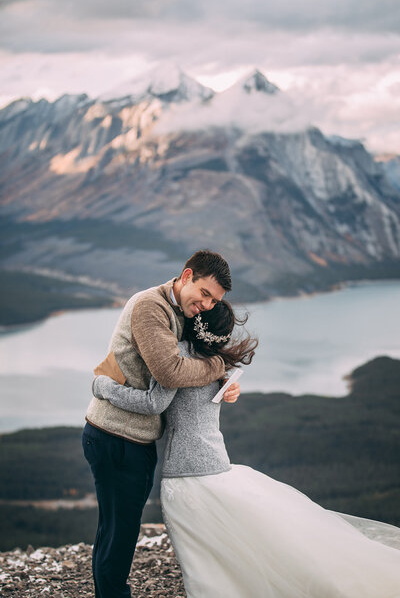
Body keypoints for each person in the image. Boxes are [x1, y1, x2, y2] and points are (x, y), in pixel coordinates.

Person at [92, 300, 400, 598]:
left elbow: (153, 403)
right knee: (234, 544)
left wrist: (103, 386)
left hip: (187, 473)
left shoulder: (181, 358)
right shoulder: (217, 362)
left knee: (202, 555)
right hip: (217, 465)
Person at [82, 250, 241, 598]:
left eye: (215, 301)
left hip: (134, 438)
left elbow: (188, 356)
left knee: (115, 527)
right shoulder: (150, 307)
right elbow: (171, 372)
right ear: (187, 276)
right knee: (120, 531)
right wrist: (218, 368)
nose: (208, 305)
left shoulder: (181, 310)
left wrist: (226, 379)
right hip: (116, 435)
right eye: (205, 294)